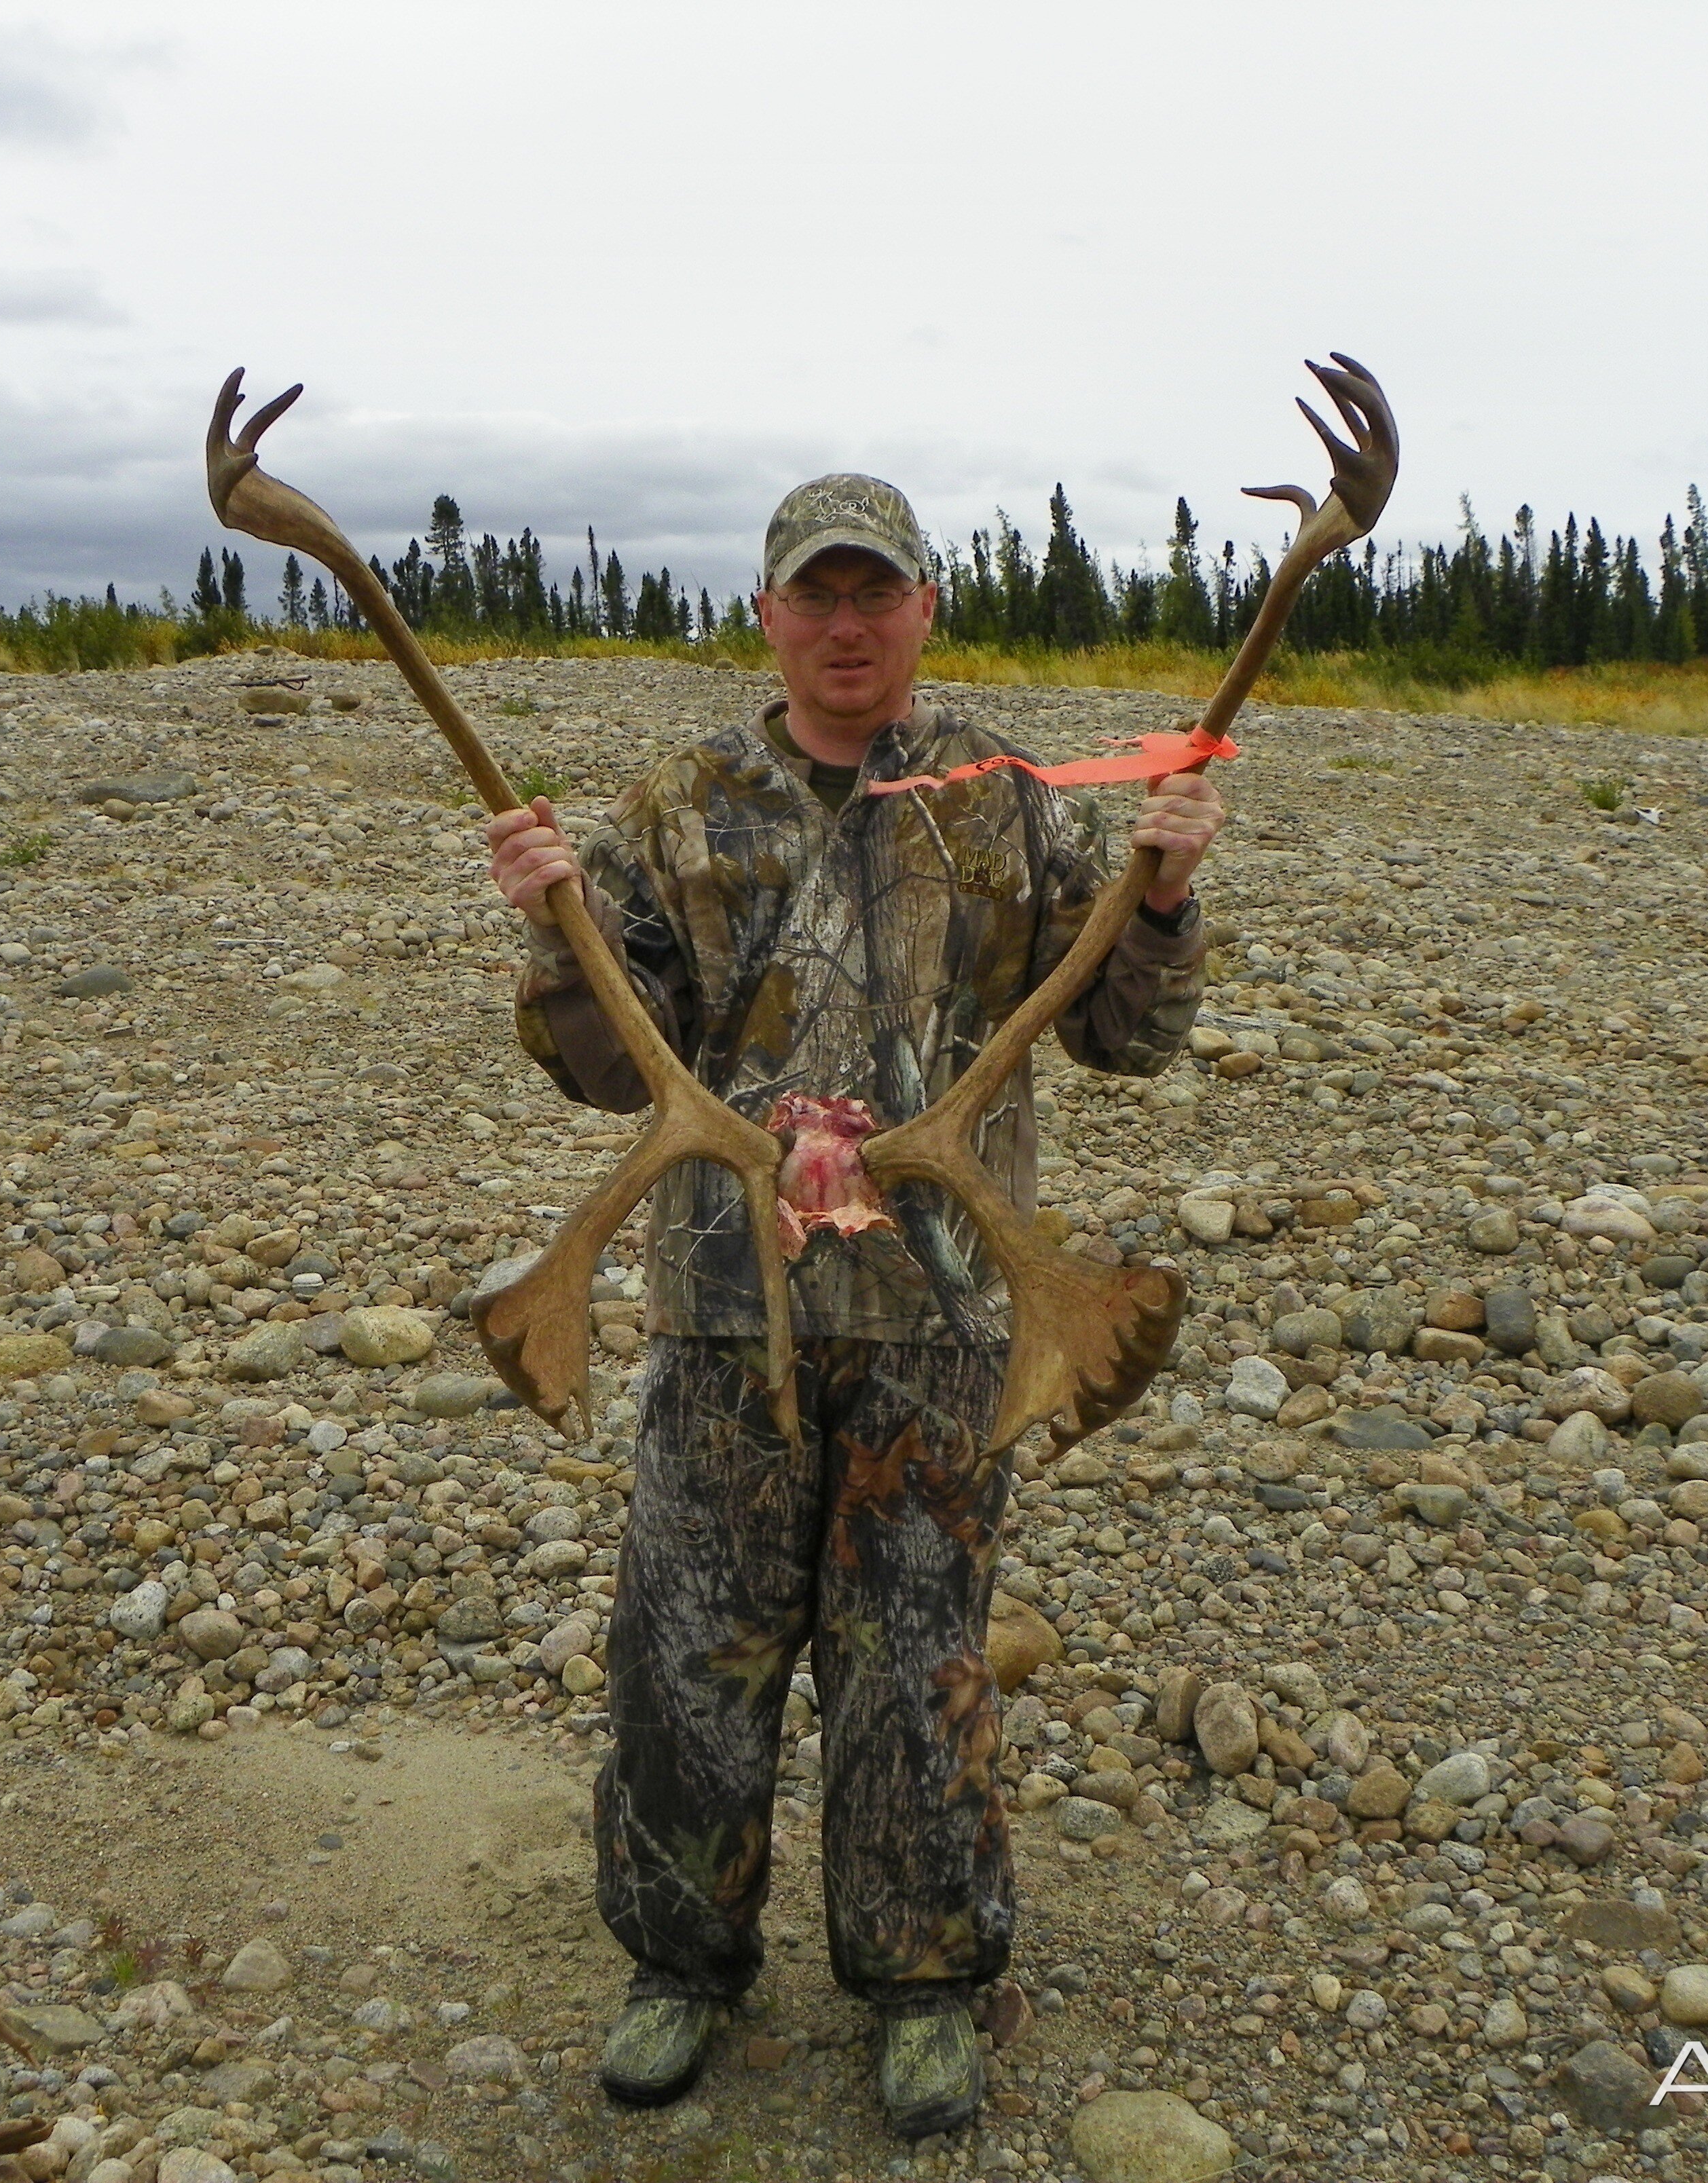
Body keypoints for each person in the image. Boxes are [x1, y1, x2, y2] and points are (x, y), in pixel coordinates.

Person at [485, 473, 1223, 2139]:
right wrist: (553, 932)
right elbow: (602, 1069)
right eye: (811, 597)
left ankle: (923, 1983)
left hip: (950, 1315)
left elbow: (1127, 1038)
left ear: (920, 613)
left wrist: (1161, 902)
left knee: (914, 1660)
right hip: (720, 1314)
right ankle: (680, 1964)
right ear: (764, 614)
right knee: (687, 1653)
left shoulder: (1013, 804)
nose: (842, 626)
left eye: (870, 595)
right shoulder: (679, 805)